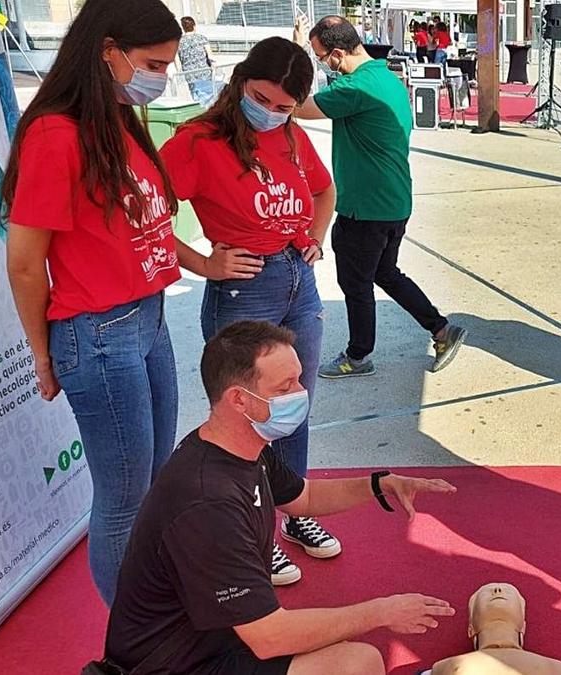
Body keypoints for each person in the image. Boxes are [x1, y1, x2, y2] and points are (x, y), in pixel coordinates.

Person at [102, 320, 458, 675]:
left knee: (336, 643)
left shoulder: (241, 445)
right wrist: (381, 612)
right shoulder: (208, 505)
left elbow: (303, 496)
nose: (300, 392)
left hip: (214, 638)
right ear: (239, 399)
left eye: (298, 378)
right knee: (356, 663)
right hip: (174, 665)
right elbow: (269, 637)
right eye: (286, 385)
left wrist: (380, 484)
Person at [3, 0, 181, 607]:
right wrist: (42, 351)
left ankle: (155, 607)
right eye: (153, 63)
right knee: (124, 498)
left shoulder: (120, 120)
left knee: (154, 482)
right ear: (108, 52)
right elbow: (26, 262)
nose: (161, 78)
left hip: (148, 319)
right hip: (99, 334)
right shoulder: (57, 133)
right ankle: (136, 639)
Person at [159, 37, 339, 588]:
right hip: (244, 289)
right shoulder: (198, 140)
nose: (273, 113)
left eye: (286, 106)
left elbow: (325, 191)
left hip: (296, 281)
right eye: (262, 98)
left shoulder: (289, 137)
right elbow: (143, 218)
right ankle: (253, 535)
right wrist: (204, 264)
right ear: (240, 82)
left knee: (293, 406)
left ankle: (295, 511)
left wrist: (314, 235)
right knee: (247, 418)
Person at [296, 17, 467, 377]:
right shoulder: (385, 77)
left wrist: (294, 55)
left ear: (338, 53)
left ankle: (357, 356)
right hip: (394, 201)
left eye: (321, 56)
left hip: (365, 208)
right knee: (386, 272)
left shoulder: (354, 90)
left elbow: (296, 107)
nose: (322, 62)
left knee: (356, 285)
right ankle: (441, 329)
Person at [424, 583, 561, 675]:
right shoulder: (444, 668)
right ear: (470, 629)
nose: (497, 590)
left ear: (523, 626)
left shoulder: (555, 668)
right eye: (486, 594)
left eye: (509, 592)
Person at [177, 16, 216, 107]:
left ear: (183, 28)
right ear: (194, 26)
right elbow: (210, 56)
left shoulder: (179, 42)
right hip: (204, 72)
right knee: (209, 96)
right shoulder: (201, 38)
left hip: (190, 74)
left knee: (197, 98)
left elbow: (177, 62)